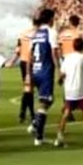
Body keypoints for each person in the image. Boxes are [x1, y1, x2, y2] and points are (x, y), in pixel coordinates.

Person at [55, 38, 83, 148]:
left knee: (66, 112)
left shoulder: (67, 58)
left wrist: (60, 80)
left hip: (69, 89)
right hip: (81, 90)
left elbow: (62, 74)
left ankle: (59, 136)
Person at [27, 8, 59, 146]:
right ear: (51, 19)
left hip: (35, 71)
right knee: (45, 103)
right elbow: (54, 54)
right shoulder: (51, 33)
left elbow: (30, 56)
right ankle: (39, 137)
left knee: (48, 100)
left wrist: (28, 74)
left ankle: (35, 124)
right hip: (46, 72)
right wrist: (60, 70)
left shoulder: (35, 34)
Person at [15, 19, 39, 125]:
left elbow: (17, 49)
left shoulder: (23, 33)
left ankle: (23, 113)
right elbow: (33, 50)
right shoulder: (36, 35)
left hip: (23, 62)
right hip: (31, 63)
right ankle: (30, 114)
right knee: (29, 90)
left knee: (28, 89)